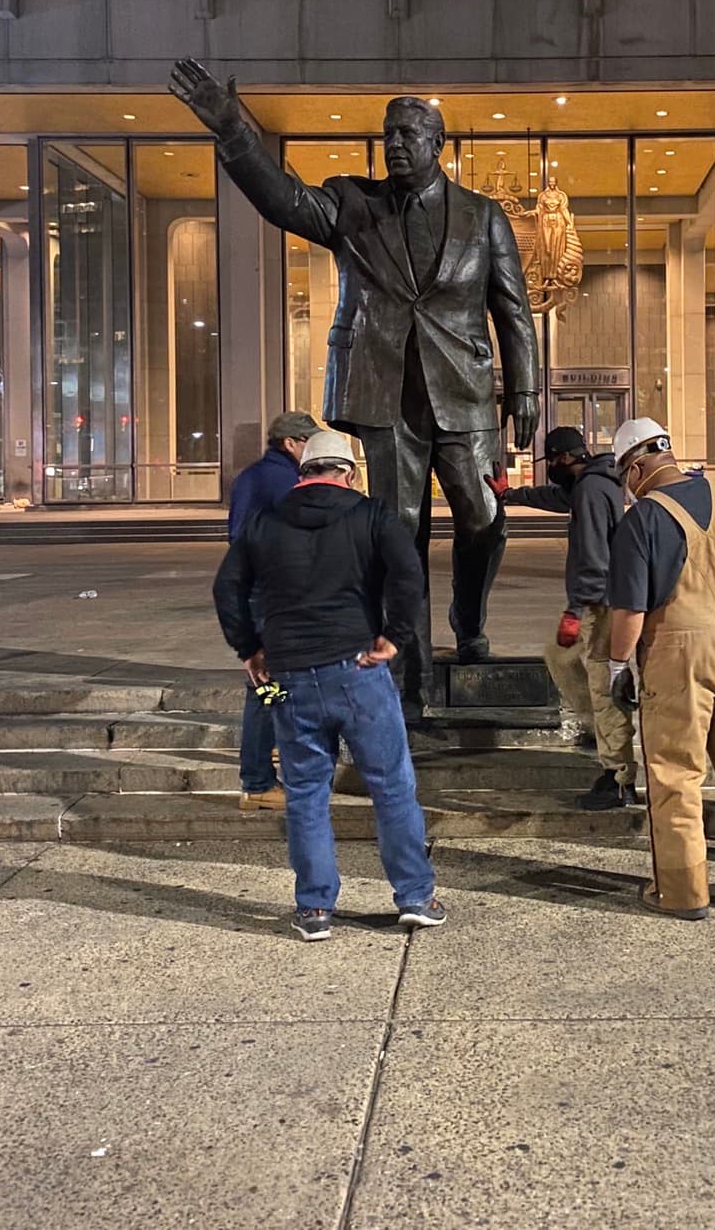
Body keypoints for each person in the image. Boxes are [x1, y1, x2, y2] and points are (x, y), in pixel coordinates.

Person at [171, 59, 540, 719]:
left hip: (462, 391)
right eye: (388, 133)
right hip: (381, 386)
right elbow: (282, 198)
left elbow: (512, 307)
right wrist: (233, 131)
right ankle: (413, 671)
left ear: (438, 145)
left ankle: (468, 616)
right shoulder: (351, 203)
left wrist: (528, 390)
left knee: (483, 518)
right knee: (400, 530)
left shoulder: (482, 217)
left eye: (408, 133)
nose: (395, 143)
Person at [214, 428, 446, 942]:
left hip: (289, 675)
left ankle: (315, 908)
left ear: (303, 473)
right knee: (391, 786)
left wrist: (249, 649)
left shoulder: (265, 522)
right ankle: (414, 896)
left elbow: (227, 588)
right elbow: (409, 574)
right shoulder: (371, 515)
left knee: (306, 793)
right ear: (349, 473)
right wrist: (394, 637)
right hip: (358, 670)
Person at [607, 418, 715, 921]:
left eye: (626, 474)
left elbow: (629, 612)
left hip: (680, 646)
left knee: (676, 772)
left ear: (637, 466)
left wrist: (619, 666)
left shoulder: (641, 519)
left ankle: (683, 894)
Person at [488, 425, 638, 810]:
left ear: (567, 457)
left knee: (601, 683)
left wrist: (575, 610)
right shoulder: (592, 481)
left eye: (553, 460)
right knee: (561, 659)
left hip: (597, 602)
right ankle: (601, 731)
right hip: (601, 598)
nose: (551, 467)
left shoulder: (590, 489)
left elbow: (593, 557)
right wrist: (512, 494)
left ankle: (617, 775)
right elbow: (557, 496)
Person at [225, 409, 319, 812]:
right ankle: (259, 781)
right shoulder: (284, 481)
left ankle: (269, 756)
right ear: (291, 444)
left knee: (271, 684)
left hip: (257, 590)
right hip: (273, 594)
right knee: (267, 686)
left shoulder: (252, 476)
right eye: (309, 442)